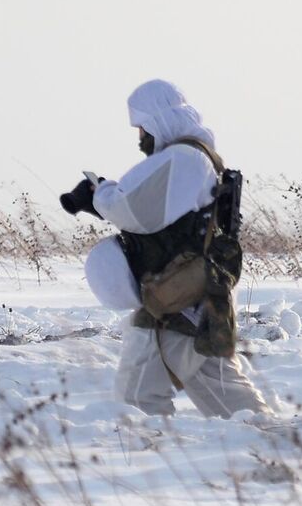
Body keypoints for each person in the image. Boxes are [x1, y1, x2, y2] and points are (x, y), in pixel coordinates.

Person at [62, 80, 273, 418]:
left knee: (136, 400)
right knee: (235, 409)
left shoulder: (183, 159)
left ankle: (145, 461)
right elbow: (155, 213)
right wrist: (99, 200)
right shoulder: (197, 159)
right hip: (199, 297)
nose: (140, 137)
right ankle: (275, 448)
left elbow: (131, 208)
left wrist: (97, 195)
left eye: (142, 127)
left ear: (159, 119)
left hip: (175, 302)